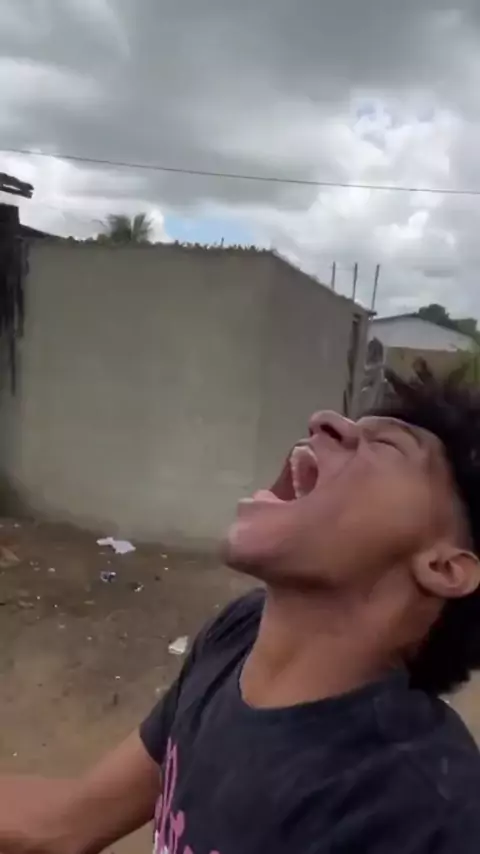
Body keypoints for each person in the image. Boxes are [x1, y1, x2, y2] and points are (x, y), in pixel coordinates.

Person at [2, 364, 480, 854]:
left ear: (444, 567)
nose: (323, 421)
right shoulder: (238, 634)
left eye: (387, 446)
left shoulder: (427, 815)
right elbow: (67, 824)